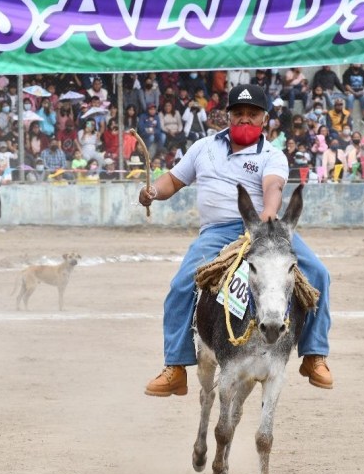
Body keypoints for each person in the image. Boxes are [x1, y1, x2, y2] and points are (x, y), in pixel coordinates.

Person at [139, 84, 333, 397]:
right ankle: (175, 366)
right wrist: (152, 192)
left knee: (319, 274)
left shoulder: (272, 155)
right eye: (238, 112)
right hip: (216, 233)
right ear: (228, 115)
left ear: (265, 118)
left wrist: (267, 216)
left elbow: (273, 187)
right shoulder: (203, 147)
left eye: (252, 114)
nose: (245, 119)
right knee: (180, 285)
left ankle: (314, 355)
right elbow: (173, 180)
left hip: (264, 227)